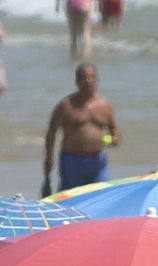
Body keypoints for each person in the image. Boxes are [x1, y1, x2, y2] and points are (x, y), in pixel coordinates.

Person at [43, 64, 120, 192]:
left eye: (91, 77)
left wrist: (113, 139)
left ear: (97, 80)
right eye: (83, 78)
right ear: (77, 81)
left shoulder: (105, 105)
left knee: (101, 196)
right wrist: (48, 159)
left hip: (98, 160)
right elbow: (51, 132)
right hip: (72, 160)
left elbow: (114, 129)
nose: (88, 81)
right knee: (71, 199)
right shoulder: (66, 105)